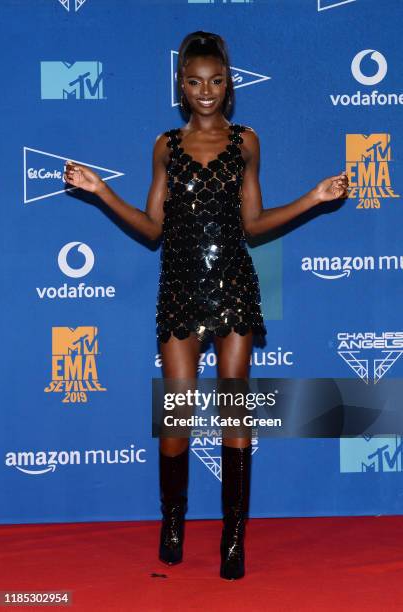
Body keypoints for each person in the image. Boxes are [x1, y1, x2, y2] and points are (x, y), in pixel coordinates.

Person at [63, 31, 349, 580]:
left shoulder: (247, 141)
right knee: (177, 409)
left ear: (229, 83)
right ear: (181, 86)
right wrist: (101, 191)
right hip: (179, 285)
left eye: (216, 81)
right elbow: (151, 229)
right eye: (195, 82)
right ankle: (172, 522)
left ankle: (233, 538)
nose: (207, 91)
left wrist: (313, 197)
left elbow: (253, 224)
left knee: (234, 407)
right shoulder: (164, 146)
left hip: (235, 284)